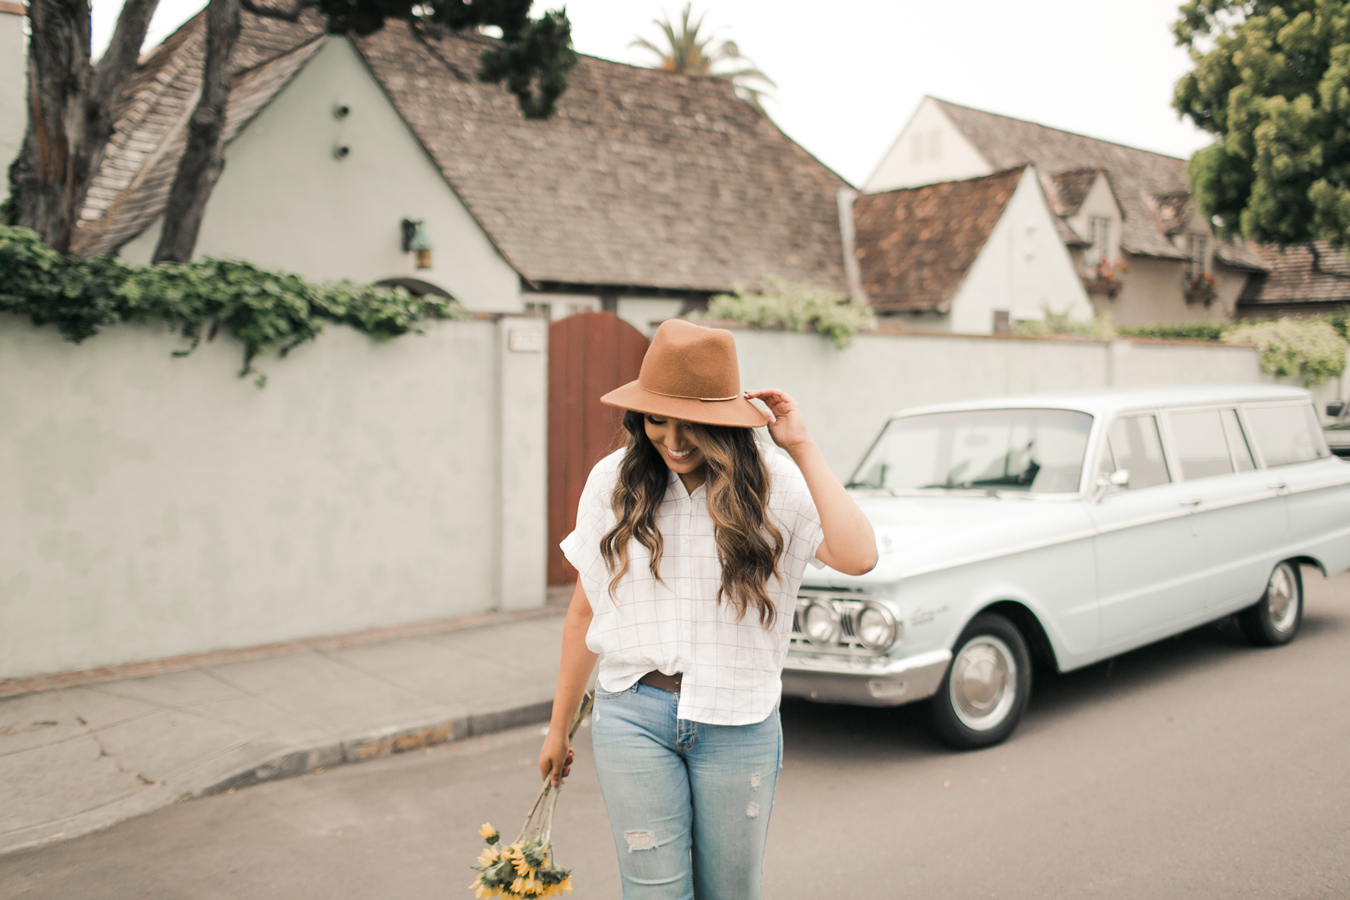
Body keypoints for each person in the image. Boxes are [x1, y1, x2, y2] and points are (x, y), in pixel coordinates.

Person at [538, 318, 877, 900]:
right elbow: (582, 613)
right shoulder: (613, 482)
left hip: (739, 719)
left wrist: (800, 443)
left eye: (692, 422)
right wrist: (558, 729)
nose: (673, 439)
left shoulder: (773, 484)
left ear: (724, 420)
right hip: (633, 716)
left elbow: (858, 555)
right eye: (657, 418)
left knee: (729, 892)